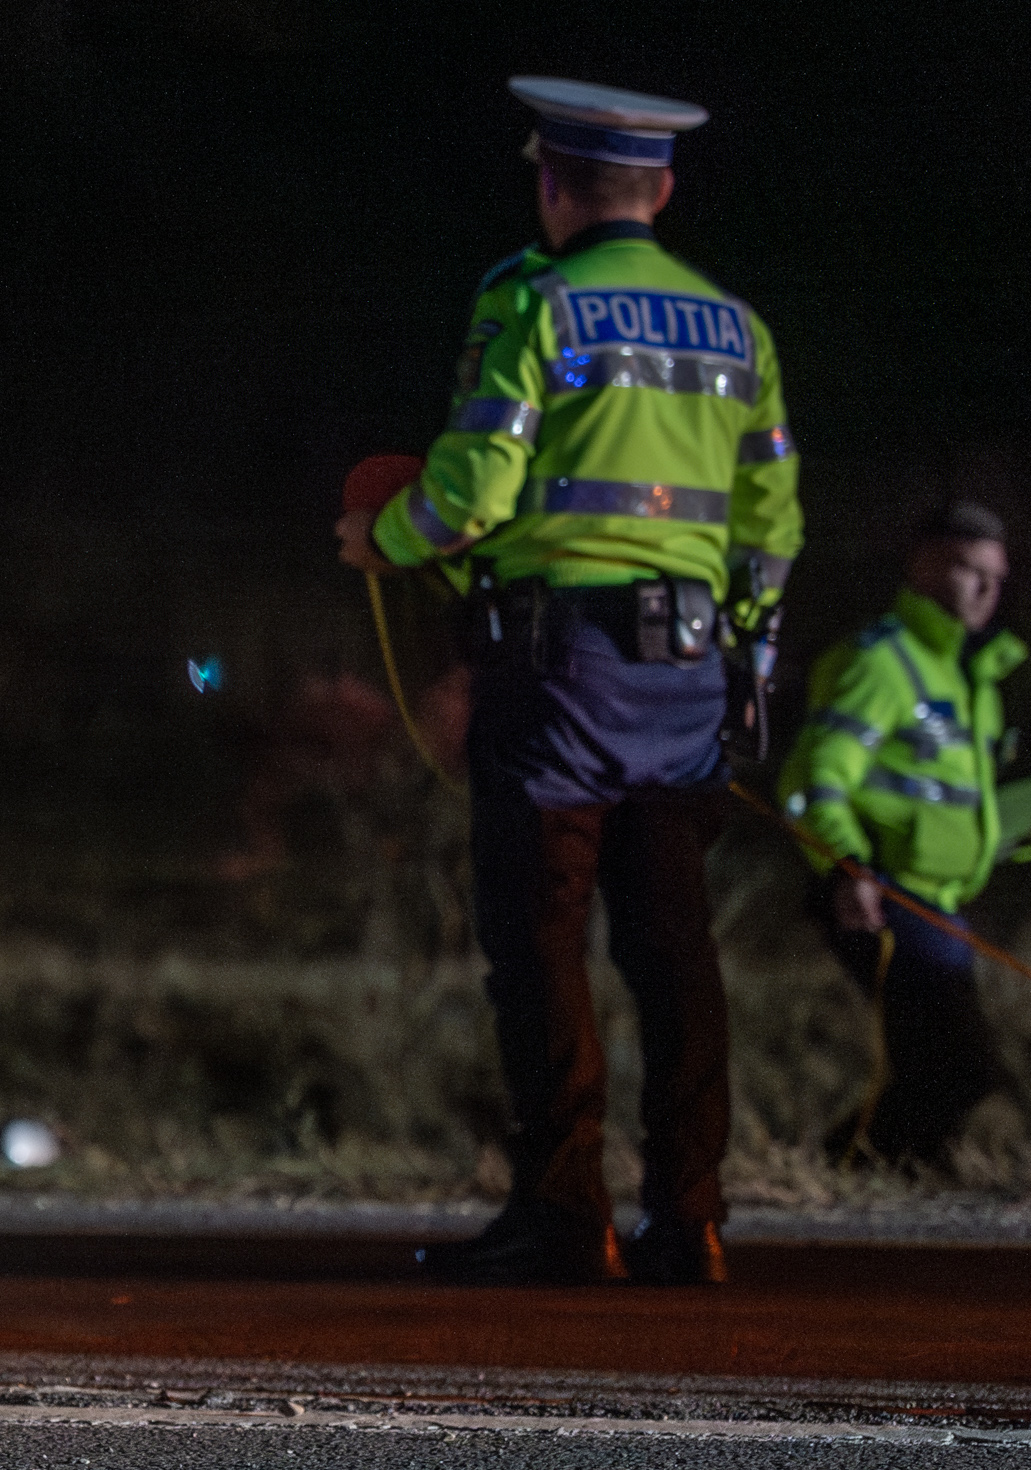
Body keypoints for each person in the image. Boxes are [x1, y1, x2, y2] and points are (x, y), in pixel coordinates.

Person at [335, 78, 804, 1285]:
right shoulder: (736, 327)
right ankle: (690, 1217)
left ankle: (561, 1213)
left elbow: (473, 490)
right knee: (676, 952)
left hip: (558, 682)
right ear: (661, 189)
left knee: (540, 946)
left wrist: (382, 540)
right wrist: (742, 649)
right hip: (689, 679)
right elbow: (771, 523)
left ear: (552, 181)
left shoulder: (529, 301)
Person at [778, 501, 1031, 1165]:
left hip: (941, 907)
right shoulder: (881, 663)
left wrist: (1028, 835)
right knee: (957, 1068)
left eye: (995, 576)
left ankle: (865, 1179)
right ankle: (850, 1172)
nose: (985, 589)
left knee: (940, 1072)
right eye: (968, 569)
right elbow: (814, 778)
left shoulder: (975, 678)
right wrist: (845, 869)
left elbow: (948, 806)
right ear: (922, 565)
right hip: (885, 897)